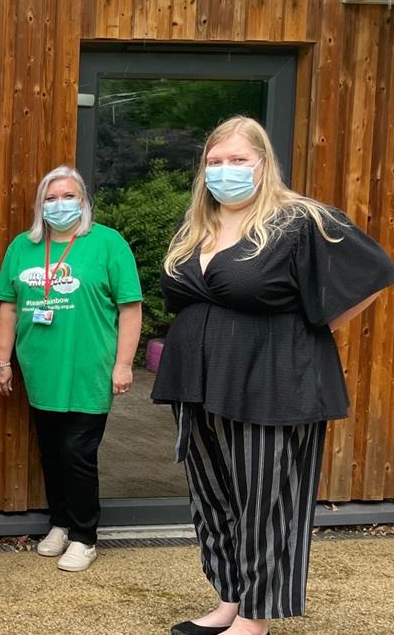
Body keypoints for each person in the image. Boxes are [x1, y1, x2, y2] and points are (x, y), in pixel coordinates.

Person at [152, 116, 394, 635]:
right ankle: (230, 599)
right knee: (213, 495)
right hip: (197, 382)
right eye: (214, 162)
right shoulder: (196, 226)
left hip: (272, 380)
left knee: (265, 501)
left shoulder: (298, 220)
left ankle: (256, 618)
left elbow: (374, 271)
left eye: (238, 160)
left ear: (263, 164)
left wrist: (316, 324)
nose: (225, 171)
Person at [0, 165, 142, 573]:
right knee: (52, 452)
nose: (60, 204)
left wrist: (124, 364)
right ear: (41, 205)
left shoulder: (108, 244)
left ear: (84, 201)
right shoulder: (23, 246)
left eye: (68, 196)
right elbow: (7, 307)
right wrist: (2, 361)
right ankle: (60, 523)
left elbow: (130, 309)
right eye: (51, 198)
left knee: (78, 453)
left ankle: (84, 536)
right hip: (40, 370)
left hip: (89, 368)